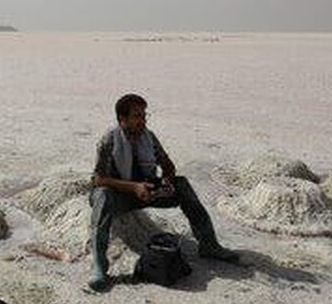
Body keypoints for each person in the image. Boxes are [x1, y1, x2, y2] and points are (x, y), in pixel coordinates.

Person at [88, 93, 239, 291]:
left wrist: (165, 183)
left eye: (144, 115)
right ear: (121, 119)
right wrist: (134, 187)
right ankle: (99, 265)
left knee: (182, 185)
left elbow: (168, 166)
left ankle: (209, 245)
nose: (142, 120)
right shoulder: (109, 140)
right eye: (136, 116)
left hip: (147, 191)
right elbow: (99, 179)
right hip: (119, 194)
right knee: (102, 196)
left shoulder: (148, 137)